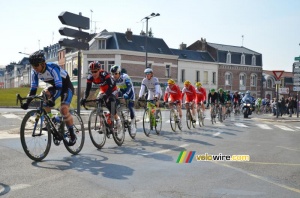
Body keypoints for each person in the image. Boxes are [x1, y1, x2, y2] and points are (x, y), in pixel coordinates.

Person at [20, 50, 77, 146]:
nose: (35, 68)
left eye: (36, 65)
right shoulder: (35, 73)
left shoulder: (53, 68)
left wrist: (53, 99)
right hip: (55, 86)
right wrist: (27, 102)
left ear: (43, 64)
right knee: (43, 96)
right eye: (33, 66)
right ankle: (52, 121)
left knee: (63, 110)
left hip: (65, 87)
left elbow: (59, 87)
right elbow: (33, 90)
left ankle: (72, 135)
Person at [80, 61, 120, 134]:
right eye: (92, 71)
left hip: (112, 89)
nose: (94, 73)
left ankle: (117, 120)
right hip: (103, 89)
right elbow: (87, 89)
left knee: (109, 100)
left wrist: (106, 95)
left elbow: (111, 86)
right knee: (99, 101)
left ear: (99, 70)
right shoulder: (90, 77)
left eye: (95, 71)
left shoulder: (104, 74)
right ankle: (103, 124)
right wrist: (84, 98)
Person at [110, 65, 136, 134]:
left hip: (129, 92)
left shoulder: (125, 77)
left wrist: (127, 94)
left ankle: (133, 124)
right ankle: (120, 121)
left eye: (116, 73)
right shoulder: (113, 78)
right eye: (113, 74)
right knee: (115, 106)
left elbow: (129, 87)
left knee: (130, 107)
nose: (114, 75)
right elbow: (112, 88)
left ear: (119, 73)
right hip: (121, 91)